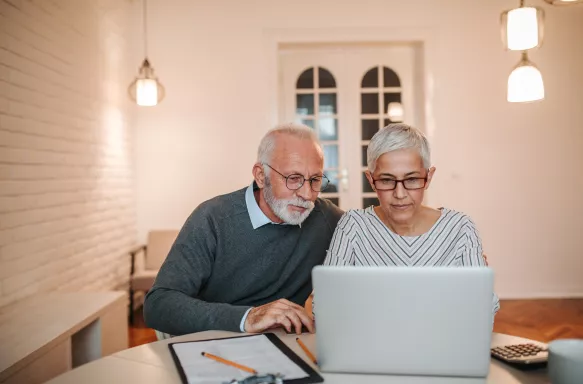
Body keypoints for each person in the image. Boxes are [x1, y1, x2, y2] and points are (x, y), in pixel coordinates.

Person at [144, 123, 344, 336]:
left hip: (281, 345)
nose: (306, 194)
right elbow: (158, 305)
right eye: (293, 179)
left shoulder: (326, 218)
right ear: (260, 175)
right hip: (208, 340)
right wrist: (247, 317)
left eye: (315, 180)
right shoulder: (212, 218)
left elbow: (371, 231)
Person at [321, 123, 500, 316]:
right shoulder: (353, 226)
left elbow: (483, 309)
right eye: (387, 180)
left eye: (412, 179)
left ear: (428, 177)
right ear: (371, 180)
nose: (400, 194)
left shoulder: (460, 229)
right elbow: (325, 305)